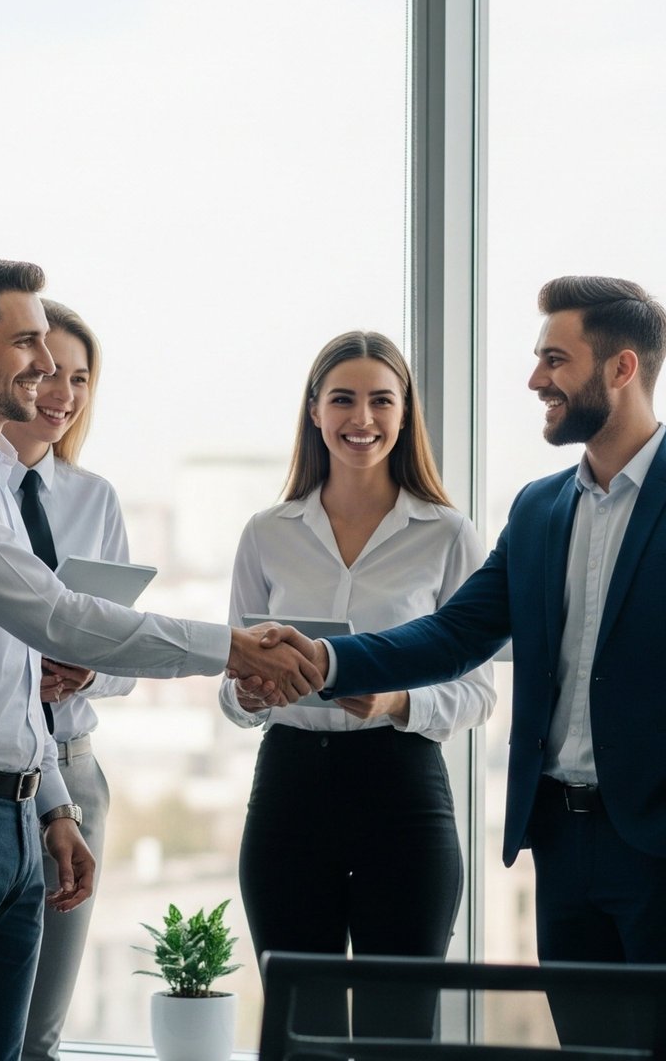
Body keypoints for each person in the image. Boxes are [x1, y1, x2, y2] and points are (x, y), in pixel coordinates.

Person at [255, 276, 666, 1061]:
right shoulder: (539, 508)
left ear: (621, 368)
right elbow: (453, 634)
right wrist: (330, 659)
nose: (535, 379)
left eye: (554, 359)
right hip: (561, 843)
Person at [0, 253, 322, 1061]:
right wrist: (231, 648)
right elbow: (56, 617)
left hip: (9, 813)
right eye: (25, 342)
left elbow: (10, 674)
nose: (44, 363)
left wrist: (53, 805)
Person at [222, 331, 494, 1040]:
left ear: (404, 415)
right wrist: (249, 695)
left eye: (381, 400)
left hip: (400, 790)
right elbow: (231, 679)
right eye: (342, 399)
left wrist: (398, 701)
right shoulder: (266, 532)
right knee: (297, 1027)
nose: (361, 418)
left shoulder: (447, 534)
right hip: (288, 789)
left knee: (397, 1031)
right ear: (314, 411)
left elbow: (481, 687)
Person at [0, 299, 134, 1061]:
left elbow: (119, 661)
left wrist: (88, 671)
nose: (64, 392)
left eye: (80, 378)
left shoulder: (94, 500)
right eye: (49, 371)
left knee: (39, 1030)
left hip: (73, 779)